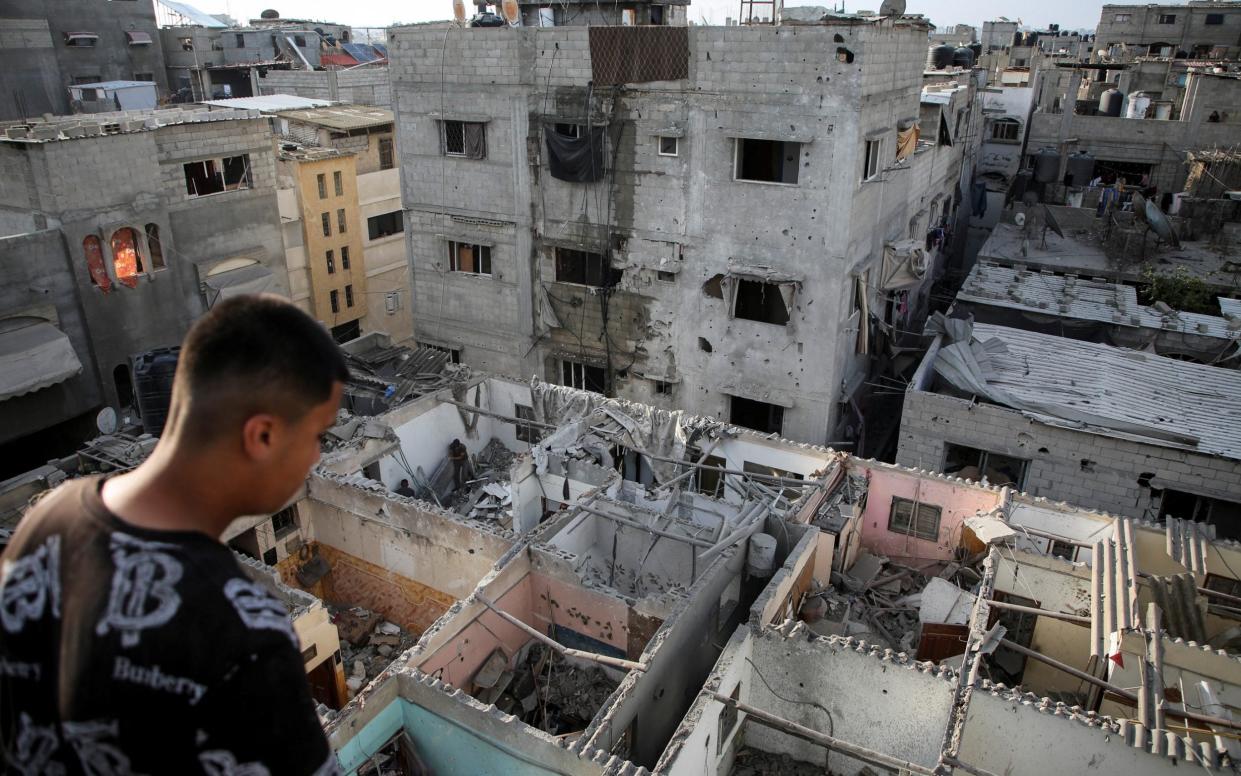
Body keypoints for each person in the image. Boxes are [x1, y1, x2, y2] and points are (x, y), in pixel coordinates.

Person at [0, 296, 348, 775]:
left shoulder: (49, 520)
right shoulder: (241, 629)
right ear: (262, 435)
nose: (316, 457)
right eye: (318, 435)